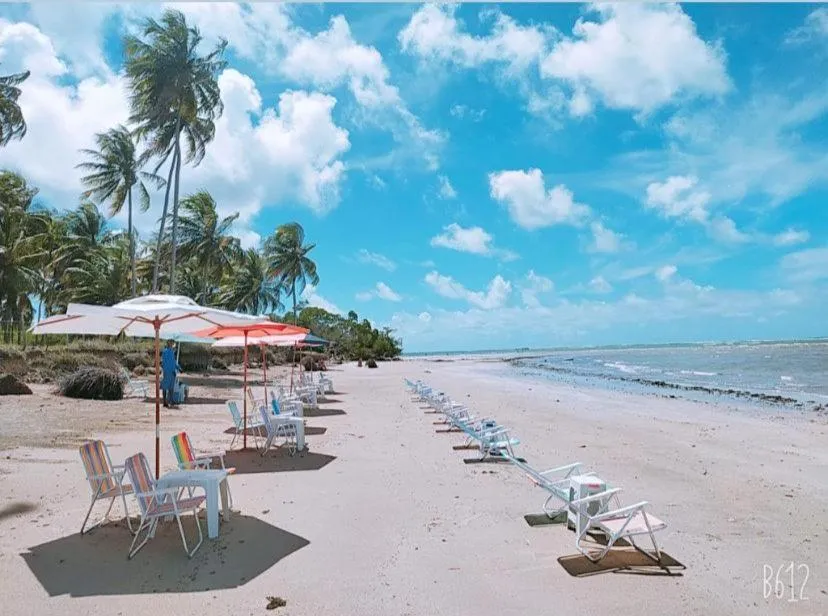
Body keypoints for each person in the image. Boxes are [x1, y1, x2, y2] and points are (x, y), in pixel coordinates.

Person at [161, 340, 182, 408]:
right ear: (168, 344)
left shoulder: (170, 352)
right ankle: (165, 401)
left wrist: (178, 368)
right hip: (168, 372)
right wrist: (176, 369)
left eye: (172, 343)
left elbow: (173, 362)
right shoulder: (166, 352)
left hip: (171, 372)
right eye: (171, 343)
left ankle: (171, 401)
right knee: (166, 387)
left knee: (170, 387)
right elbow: (165, 363)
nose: (172, 344)